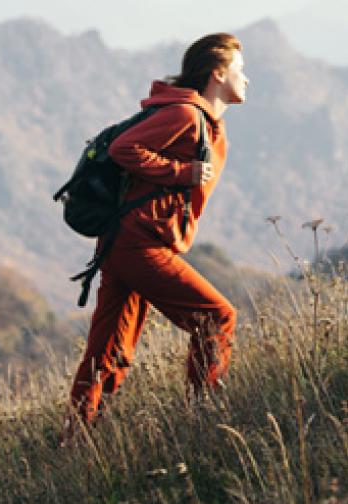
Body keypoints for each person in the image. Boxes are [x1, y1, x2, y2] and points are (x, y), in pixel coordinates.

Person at [62, 33, 249, 443]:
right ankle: (203, 422)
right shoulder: (185, 114)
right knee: (217, 318)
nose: (246, 79)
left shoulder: (202, 121)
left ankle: (74, 441)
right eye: (240, 70)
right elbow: (125, 148)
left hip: (124, 242)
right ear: (217, 74)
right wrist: (181, 174)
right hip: (138, 243)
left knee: (108, 350)